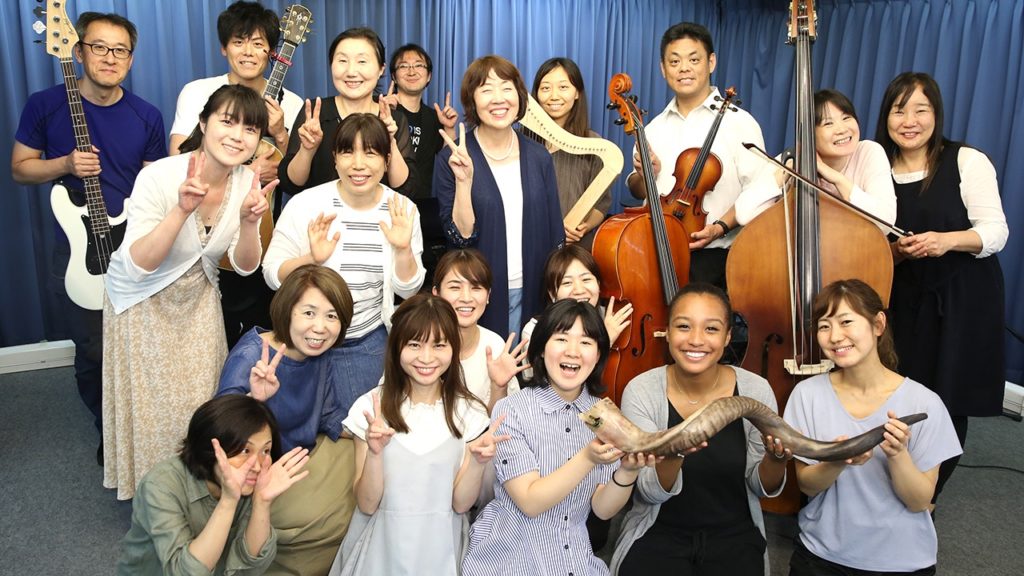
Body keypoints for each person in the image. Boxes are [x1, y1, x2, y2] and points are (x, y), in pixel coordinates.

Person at [102, 85, 275, 500]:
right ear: (203, 123)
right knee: (152, 409)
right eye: (227, 122)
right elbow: (140, 263)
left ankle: (201, 493)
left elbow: (246, 266)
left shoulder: (246, 183)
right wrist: (181, 210)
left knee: (202, 402)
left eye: (250, 129)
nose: (238, 136)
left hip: (198, 297)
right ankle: (157, 500)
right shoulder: (160, 176)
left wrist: (250, 222)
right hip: (142, 300)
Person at [11, 12, 166, 454]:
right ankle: (109, 431)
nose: (109, 58)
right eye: (99, 47)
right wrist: (64, 164)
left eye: (120, 50)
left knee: (140, 344)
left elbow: (155, 184)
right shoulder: (44, 104)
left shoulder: (146, 115)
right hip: (78, 249)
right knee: (94, 348)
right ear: (78, 52)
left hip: (133, 246)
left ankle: (144, 426)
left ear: (131, 59)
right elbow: (20, 169)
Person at [875, 72, 1008, 502]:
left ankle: (926, 497)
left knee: (947, 397)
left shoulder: (966, 160)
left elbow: (995, 232)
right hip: (902, 297)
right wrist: (895, 253)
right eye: (899, 110)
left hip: (961, 296)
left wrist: (945, 241)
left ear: (937, 115)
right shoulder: (876, 168)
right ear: (886, 116)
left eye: (921, 110)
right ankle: (886, 486)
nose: (909, 121)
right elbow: (869, 243)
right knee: (894, 391)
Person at [462, 299, 656, 576]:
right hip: (510, 559)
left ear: (598, 355)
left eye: (586, 342)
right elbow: (530, 502)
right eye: (562, 338)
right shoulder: (512, 410)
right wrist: (587, 457)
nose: (573, 351)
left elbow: (602, 509)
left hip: (573, 559)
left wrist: (627, 472)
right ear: (541, 349)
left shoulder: (603, 415)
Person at [783, 279, 961, 575]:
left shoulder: (926, 403)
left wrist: (898, 455)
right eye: (824, 326)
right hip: (819, 554)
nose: (835, 336)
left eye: (846, 322)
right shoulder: (806, 394)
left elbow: (919, 502)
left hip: (901, 562)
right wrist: (837, 460)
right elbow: (807, 486)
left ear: (878, 324)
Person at [611, 283, 786, 576]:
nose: (695, 340)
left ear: (727, 336)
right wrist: (674, 453)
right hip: (659, 534)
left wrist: (777, 460)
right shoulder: (641, 391)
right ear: (667, 332)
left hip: (735, 537)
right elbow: (649, 491)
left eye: (711, 329)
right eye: (683, 326)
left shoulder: (756, 389)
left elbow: (761, 488)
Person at [263, 113, 425, 423]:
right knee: (298, 433)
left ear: (387, 160)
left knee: (365, 432)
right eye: (348, 152)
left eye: (371, 153)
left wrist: (403, 248)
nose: (358, 164)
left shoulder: (402, 210)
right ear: (335, 158)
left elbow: (408, 290)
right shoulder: (306, 204)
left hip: (365, 343)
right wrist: (310, 259)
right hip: (303, 341)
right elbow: (271, 274)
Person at [330, 294, 504, 576]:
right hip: (380, 549)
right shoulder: (371, 407)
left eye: (439, 345)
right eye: (414, 344)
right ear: (396, 346)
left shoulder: (469, 412)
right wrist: (374, 453)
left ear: (453, 348)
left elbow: (461, 504)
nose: (426, 358)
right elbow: (367, 504)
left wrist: (477, 462)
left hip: (442, 549)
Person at [167, 0, 304, 349]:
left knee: (261, 327)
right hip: (203, 222)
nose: (248, 52)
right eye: (239, 41)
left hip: (259, 226)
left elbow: (298, 174)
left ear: (272, 52)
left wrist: (281, 135)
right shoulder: (198, 92)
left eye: (258, 43)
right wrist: (241, 171)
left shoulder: (292, 103)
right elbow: (178, 159)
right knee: (203, 330)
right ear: (223, 47)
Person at [216, 264, 357, 574]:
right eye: (309, 313)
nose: (320, 327)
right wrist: (255, 400)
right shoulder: (252, 355)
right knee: (340, 513)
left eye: (332, 316)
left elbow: (328, 413)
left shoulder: (317, 352)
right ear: (286, 310)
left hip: (301, 453)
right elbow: (222, 436)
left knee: (369, 462)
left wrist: (366, 429)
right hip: (260, 471)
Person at [625, 22, 776, 289]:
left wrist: (719, 228)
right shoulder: (652, 128)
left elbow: (760, 192)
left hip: (717, 258)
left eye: (694, 59)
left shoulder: (739, 122)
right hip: (657, 255)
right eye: (674, 61)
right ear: (663, 68)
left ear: (711, 62)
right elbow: (640, 191)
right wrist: (645, 174)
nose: (684, 68)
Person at [435, 55, 565, 336]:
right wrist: (464, 182)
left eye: (506, 88)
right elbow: (461, 238)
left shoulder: (539, 157)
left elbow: (555, 231)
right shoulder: (451, 158)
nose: (498, 98)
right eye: (486, 89)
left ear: (519, 96)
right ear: (472, 99)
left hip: (534, 289)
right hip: (477, 295)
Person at [117, 394, 310, 575]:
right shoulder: (160, 485)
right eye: (245, 451)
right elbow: (185, 572)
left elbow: (252, 567)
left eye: (265, 451)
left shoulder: (254, 482)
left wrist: (262, 503)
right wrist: (228, 501)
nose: (258, 466)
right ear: (210, 450)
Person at [278, 27, 415, 198]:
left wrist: (391, 142)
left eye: (362, 61)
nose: (351, 72)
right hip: (320, 214)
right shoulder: (314, 114)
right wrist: (307, 149)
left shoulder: (394, 120)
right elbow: (291, 184)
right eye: (342, 60)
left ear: (381, 69)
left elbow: (405, 188)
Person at [735, 89, 897, 231]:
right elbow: (744, 214)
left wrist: (836, 178)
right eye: (828, 123)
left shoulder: (869, 151)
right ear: (809, 134)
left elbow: (885, 223)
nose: (842, 129)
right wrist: (788, 170)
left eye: (846, 118)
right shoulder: (790, 160)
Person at [385, 43, 458, 285]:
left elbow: (450, 165)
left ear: (429, 76)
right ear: (393, 75)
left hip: (421, 211)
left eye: (419, 65)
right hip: (385, 207)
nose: (411, 70)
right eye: (403, 66)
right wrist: (380, 116)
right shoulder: (381, 111)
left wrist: (448, 128)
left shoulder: (433, 117)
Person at [530, 57, 613, 249]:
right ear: (536, 94)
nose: (554, 96)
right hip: (530, 245)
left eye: (563, 87)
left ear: (577, 93)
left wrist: (583, 227)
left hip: (576, 249)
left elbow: (602, 204)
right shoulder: (520, 141)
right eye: (545, 88)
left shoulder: (595, 144)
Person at [431, 249, 525, 413]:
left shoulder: (494, 345)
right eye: (455, 287)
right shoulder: (419, 342)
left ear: (488, 295)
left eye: (476, 288)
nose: (466, 298)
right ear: (436, 294)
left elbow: (499, 420)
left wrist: (498, 387)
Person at [521, 244, 633, 347]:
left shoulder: (612, 320)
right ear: (552, 293)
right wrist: (606, 341)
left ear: (598, 284)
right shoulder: (534, 331)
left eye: (586, 279)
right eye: (567, 282)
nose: (579, 290)